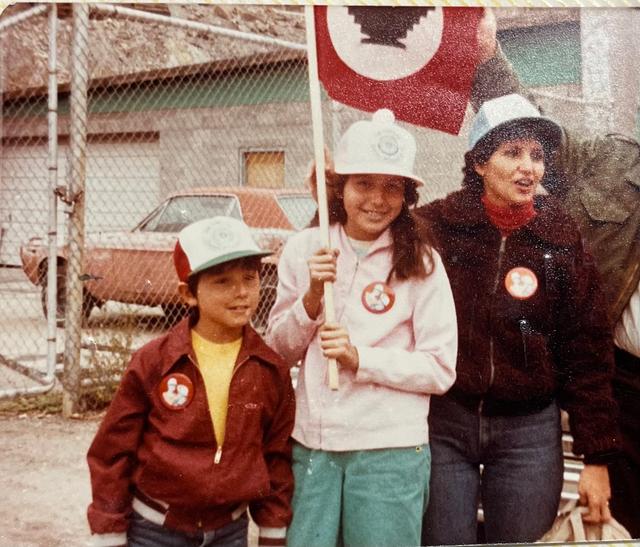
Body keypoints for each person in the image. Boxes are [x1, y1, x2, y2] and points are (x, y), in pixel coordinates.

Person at [415, 93, 620, 544]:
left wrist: (597, 457)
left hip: (528, 431)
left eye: (537, 156)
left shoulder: (562, 240)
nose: (529, 167)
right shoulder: (436, 227)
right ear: (480, 164)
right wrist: (330, 197)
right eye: (512, 153)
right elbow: (367, 229)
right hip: (446, 423)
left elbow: (587, 351)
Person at [471, 33, 640, 539]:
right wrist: (485, 56)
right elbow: (532, 136)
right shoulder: (613, 165)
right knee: (622, 523)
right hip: (626, 386)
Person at [265, 109, 458, 547]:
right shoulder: (304, 249)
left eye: (393, 187)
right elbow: (279, 352)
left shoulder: (422, 262)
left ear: (407, 196)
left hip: (389, 448)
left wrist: (360, 358)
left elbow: (440, 368)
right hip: (313, 445)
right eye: (364, 183)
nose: (377, 199)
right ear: (341, 187)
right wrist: (311, 300)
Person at [86, 216, 295, 547]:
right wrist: (109, 530)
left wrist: (272, 530)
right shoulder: (154, 361)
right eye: (222, 282)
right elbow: (112, 452)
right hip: (155, 528)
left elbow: (276, 456)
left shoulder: (270, 369)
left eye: (249, 278)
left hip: (229, 530)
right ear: (188, 294)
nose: (241, 292)